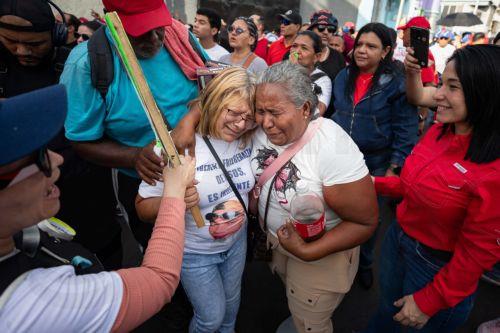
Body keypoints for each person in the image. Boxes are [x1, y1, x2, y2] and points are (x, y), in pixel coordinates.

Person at [0, 84, 196, 332]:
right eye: (38, 157)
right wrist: (175, 191)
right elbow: (159, 280)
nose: (58, 158)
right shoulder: (36, 304)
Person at [365, 44, 500, 332]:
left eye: (453, 87)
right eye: (441, 83)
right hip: (397, 240)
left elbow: (478, 252)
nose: (437, 94)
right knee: (386, 311)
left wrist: (431, 300)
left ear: (486, 93)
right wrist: (372, 183)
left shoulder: (494, 170)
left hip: (435, 268)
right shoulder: (438, 131)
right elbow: (412, 186)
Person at [251, 61, 378, 333]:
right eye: (260, 111)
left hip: (320, 257)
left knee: (311, 323)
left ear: (305, 109)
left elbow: (365, 222)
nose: (265, 122)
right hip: (279, 246)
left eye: (275, 112)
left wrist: (308, 252)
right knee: (295, 301)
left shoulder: (333, 147)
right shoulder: (260, 129)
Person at [0, 0, 120, 269]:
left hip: (85, 194)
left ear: (55, 34)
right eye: (10, 41)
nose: (22, 51)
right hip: (21, 202)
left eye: (34, 44)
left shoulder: (77, 64)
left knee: (101, 261)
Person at [136, 67, 256, 333]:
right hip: (194, 253)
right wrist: (174, 196)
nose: (240, 124)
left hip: (236, 243)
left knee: (232, 307)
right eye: (233, 113)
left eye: (248, 117)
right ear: (214, 103)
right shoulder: (175, 147)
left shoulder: (249, 137)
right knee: (211, 317)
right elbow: (142, 208)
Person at [332, 22, 418, 289]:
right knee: (338, 212)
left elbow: (406, 128)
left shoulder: (396, 83)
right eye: (359, 44)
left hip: (376, 163)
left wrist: (394, 167)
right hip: (341, 160)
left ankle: (366, 263)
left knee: (369, 218)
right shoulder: (343, 77)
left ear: (386, 52)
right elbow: (335, 114)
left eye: (371, 46)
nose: (362, 51)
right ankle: (338, 261)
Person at [307, 10, 346, 117]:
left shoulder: (338, 57)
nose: (326, 32)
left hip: (328, 118)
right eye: (321, 28)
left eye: (331, 29)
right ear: (311, 29)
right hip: (298, 116)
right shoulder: (295, 52)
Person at [289, 31, 332, 116]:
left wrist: (296, 72)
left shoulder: (322, 80)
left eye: (304, 48)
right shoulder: (280, 71)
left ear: (317, 57)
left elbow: (318, 112)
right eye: (294, 46)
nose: (297, 51)